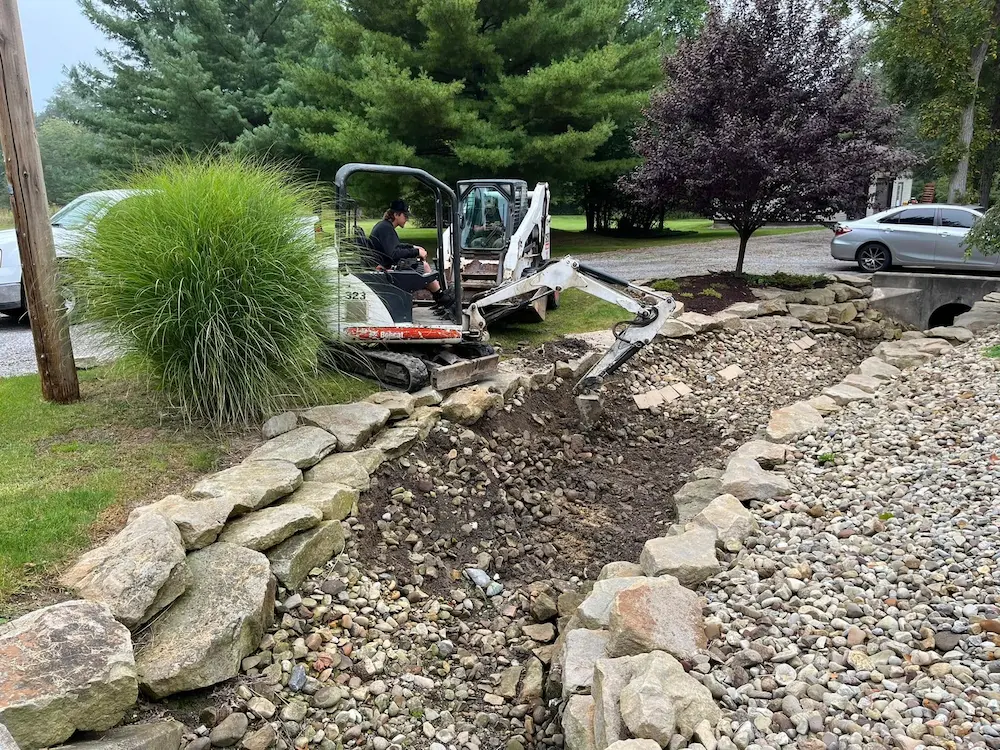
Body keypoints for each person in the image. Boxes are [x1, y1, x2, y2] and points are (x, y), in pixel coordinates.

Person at [369, 199, 454, 313]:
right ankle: (441, 298)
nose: (407, 219)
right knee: (423, 267)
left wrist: (413, 247)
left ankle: (439, 297)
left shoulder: (385, 227)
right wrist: (416, 252)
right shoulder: (386, 229)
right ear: (396, 215)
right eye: (405, 215)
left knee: (422, 267)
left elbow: (396, 246)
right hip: (383, 269)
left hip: (384, 264)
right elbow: (394, 254)